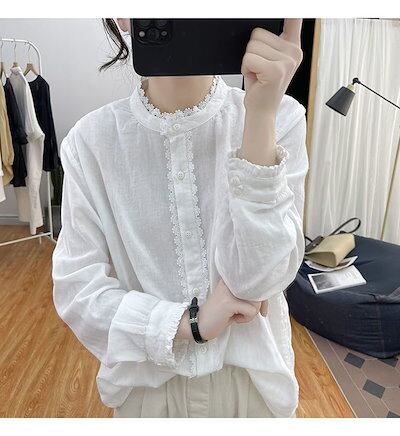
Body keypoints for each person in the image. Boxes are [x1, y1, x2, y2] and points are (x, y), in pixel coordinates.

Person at [52, 18, 307, 418]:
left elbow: (260, 280)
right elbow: (77, 291)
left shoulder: (280, 118)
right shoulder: (90, 142)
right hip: (146, 392)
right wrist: (188, 324)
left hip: (253, 391)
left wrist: (259, 116)